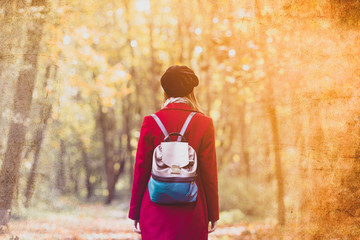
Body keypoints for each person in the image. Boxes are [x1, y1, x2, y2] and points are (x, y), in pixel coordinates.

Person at [128, 65, 219, 240]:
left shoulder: (151, 121)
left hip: (155, 207)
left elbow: (141, 169)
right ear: (191, 90)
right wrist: (213, 213)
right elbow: (209, 173)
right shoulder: (204, 123)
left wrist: (135, 212)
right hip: (192, 209)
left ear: (166, 91)